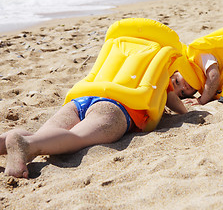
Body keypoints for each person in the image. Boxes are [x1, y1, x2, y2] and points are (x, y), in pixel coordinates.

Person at [1, 73, 188, 179]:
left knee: (44, 136)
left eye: (183, 92)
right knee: (75, 139)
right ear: (173, 72)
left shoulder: (118, 63)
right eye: (179, 83)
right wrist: (186, 104)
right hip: (115, 110)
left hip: (83, 100)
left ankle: (9, 142)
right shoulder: (160, 74)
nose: (179, 88)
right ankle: (23, 144)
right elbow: (179, 107)